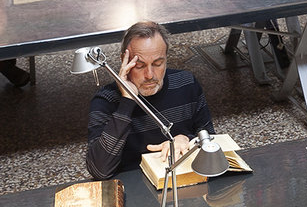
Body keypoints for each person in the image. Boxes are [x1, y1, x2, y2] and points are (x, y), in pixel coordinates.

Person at [85, 20, 217, 180]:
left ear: (166, 58)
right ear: (124, 61)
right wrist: (127, 102)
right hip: (133, 186)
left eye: (158, 64)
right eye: (140, 66)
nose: (149, 75)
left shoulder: (187, 83)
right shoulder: (105, 100)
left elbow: (210, 139)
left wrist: (186, 139)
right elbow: (99, 170)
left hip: (182, 177)